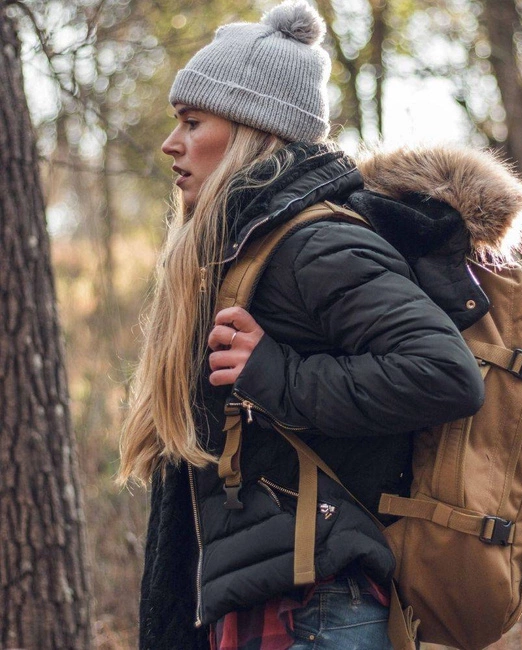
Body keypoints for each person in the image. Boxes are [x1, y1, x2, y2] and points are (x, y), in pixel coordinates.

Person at [119, 1, 489, 649]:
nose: (170, 142)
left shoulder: (314, 245)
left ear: (250, 130)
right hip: (276, 601)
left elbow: (444, 375)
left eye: (191, 121)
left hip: (320, 610)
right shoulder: (250, 243)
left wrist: (277, 376)